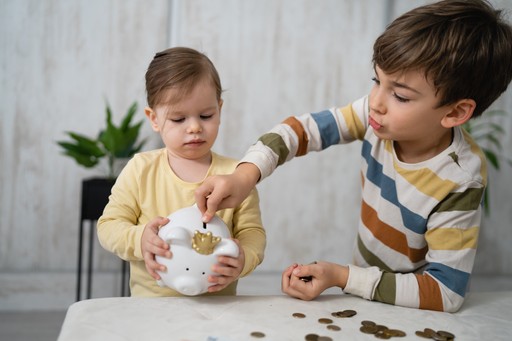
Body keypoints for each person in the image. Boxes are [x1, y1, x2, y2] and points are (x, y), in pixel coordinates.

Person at [195, 0, 512, 312]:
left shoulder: (460, 179)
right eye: (377, 80)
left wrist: (342, 277)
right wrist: (245, 174)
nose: (376, 101)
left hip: (416, 309)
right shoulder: (376, 117)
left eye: (400, 95)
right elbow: (299, 132)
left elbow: (446, 293)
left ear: (456, 112)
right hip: (368, 294)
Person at [97, 47, 266, 297]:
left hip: (218, 310)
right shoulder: (140, 170)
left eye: (206, 115)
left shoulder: (235, 175)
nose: (195, 127)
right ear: (154, 119)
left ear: (219, 109)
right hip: (152, 308)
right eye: (178, 120)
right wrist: (139, 238)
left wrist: (244, 259)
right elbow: (108, 226)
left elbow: (252, 233)